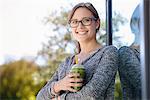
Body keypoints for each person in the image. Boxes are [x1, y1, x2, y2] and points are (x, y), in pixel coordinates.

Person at [36, 2, 118, 100]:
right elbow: (40, 97)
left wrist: (59, 98)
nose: (80, 26)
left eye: (86, 20)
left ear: (97, 23)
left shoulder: (108, 53)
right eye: (74, 22)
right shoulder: (67, 62)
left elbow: (91, 94)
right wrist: (60, 85)